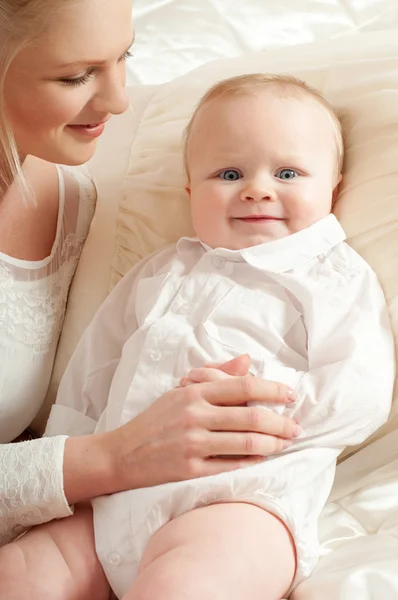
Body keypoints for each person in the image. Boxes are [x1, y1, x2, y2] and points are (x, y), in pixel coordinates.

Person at [43, 73, 394, 600]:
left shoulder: (332, 275)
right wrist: (66, 461)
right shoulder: (160, 271)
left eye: (288, 172)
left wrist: (259, 402)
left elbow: (362, 391)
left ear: (333, 188)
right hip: (111, 499)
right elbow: (92, 368)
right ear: (191, 190)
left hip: (244, 501)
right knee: (26, 569)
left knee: (187, 585)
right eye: (229, 173)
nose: (257, 188)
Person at [0, 3, 301, 598]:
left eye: (125, 57)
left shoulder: (70, 203)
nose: (119, 100)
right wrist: (109, 458)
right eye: (76, 76)